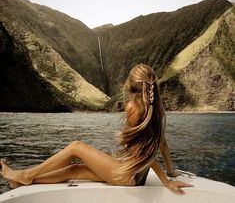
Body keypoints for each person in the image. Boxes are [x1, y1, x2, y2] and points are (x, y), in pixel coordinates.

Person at [1, 63, 192, 195]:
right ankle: (23, 181)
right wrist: (170, 172)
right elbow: (162, 145)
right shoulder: (156, 111)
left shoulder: (133, 108)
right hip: (134, 175)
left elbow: (147, 155)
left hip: (126, 174)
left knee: (76, 146)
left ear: (130, 84)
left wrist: (165, 181)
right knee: (74, 170)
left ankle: (26, 174)